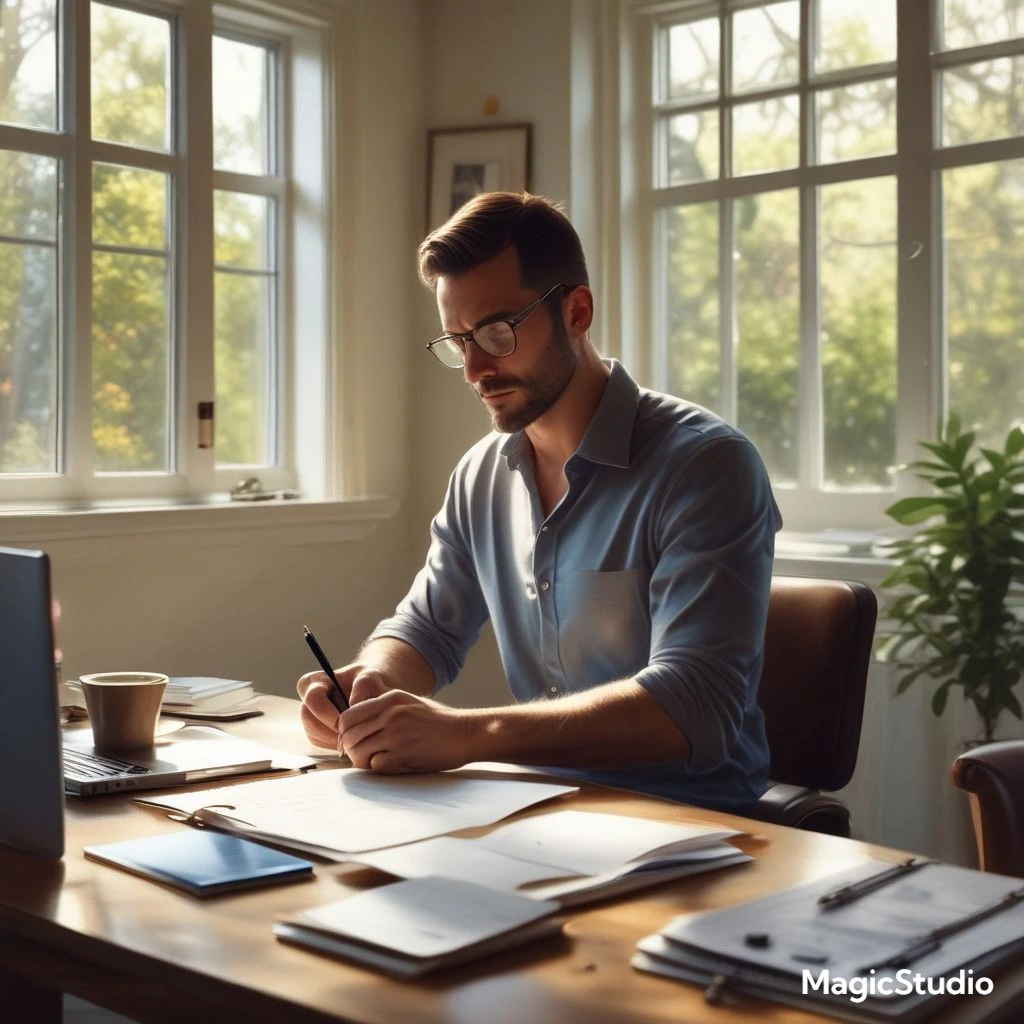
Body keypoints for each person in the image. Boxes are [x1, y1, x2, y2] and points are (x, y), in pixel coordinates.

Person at [298, 191, 782, 813]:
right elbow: (427, 629)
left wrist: (468, 734)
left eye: (497, 333)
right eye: (459, 341)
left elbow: (694, 701)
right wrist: (372, 682)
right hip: (535, 811)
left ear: (576, 312)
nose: (474, 369)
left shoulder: (705, 466)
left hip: (691, 823)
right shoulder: (480, 475)